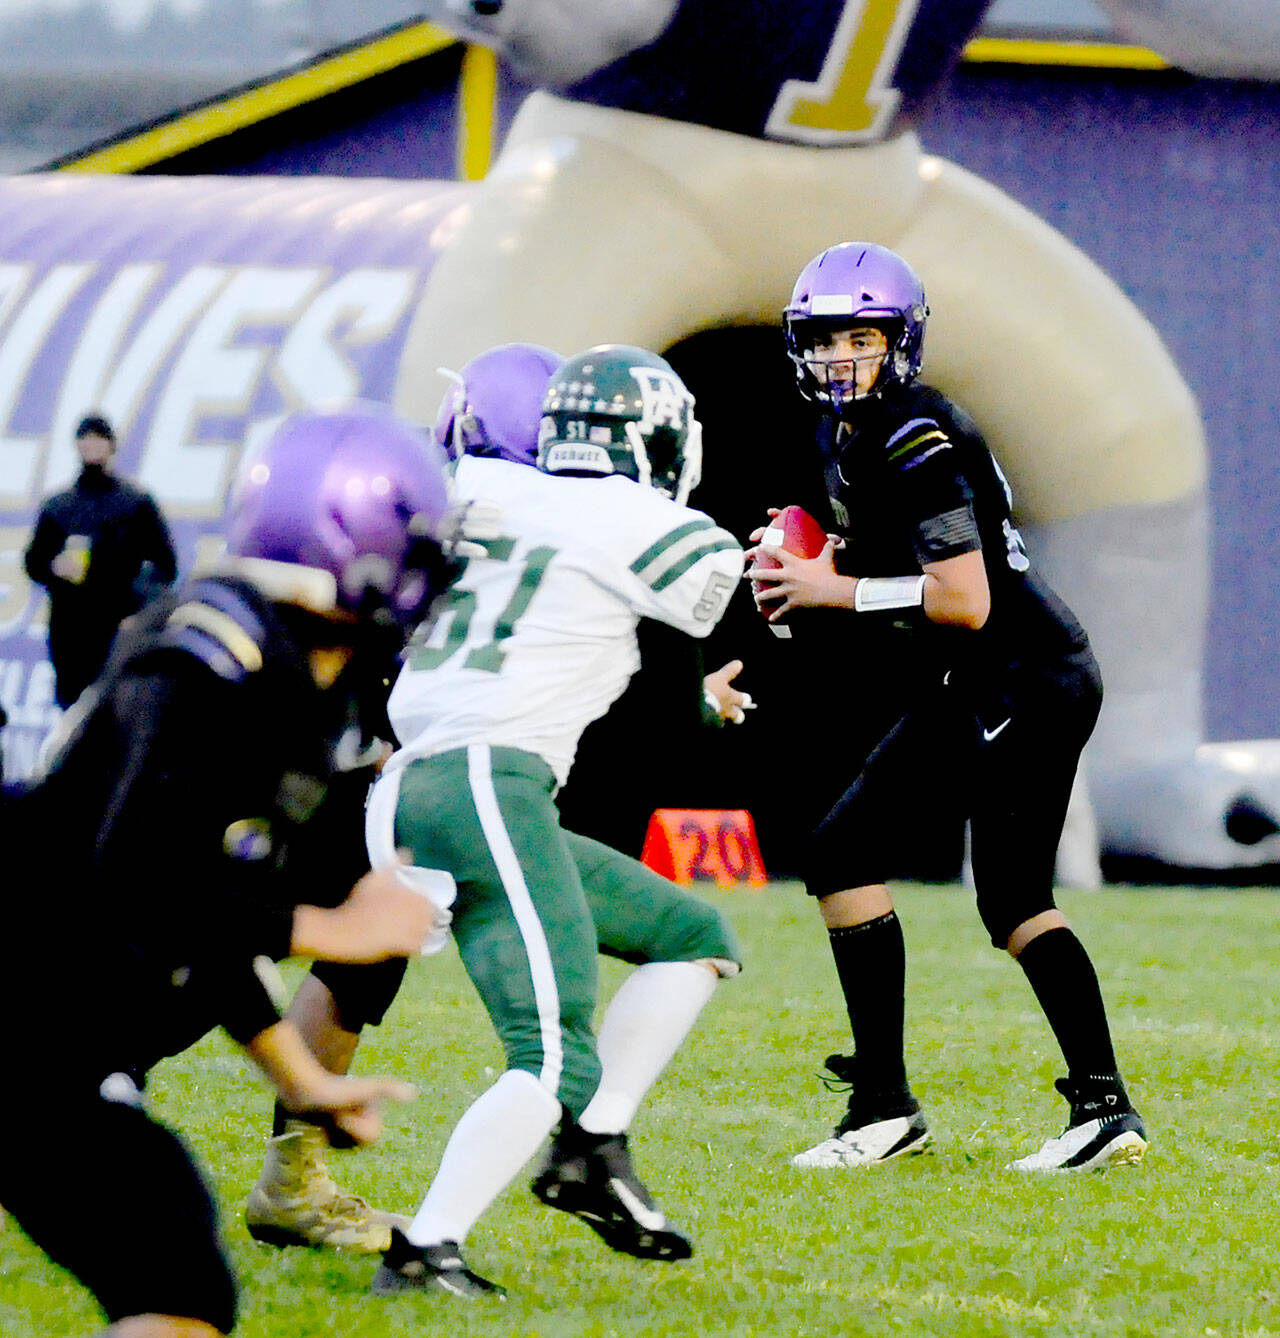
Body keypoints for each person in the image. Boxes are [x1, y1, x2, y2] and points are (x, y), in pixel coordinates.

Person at [0, 403, 455, 1338]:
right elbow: (137, 873)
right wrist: (330, 928)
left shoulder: (278, 669)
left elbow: (193, 932)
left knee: (175, 1277)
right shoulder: (214, 656)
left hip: (42, 1012)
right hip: (22, 998)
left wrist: (303, 1080)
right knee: (172, 1271)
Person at [746, 242, 1148, 1173]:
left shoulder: (916, 433)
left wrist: (828, 592)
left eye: (862, 337)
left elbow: (961, 598)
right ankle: (892, 1106)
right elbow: (881, 568)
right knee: (855, 856)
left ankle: (1087, 1109)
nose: (841, 357)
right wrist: (802, 562)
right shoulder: (846, 435)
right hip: (985, 674)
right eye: (824, 339)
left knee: (1002, 896)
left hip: (1025, 674)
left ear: (901, 342)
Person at [365, 345, 745, 1300]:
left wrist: (692, 706)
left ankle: (590, 1147)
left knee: (693, 935)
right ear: (657, 439)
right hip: (484, 783)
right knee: (552, 1047)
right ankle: (428, 1246)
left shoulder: (489, 493)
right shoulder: (634, 520)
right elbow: (705, 596)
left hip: (433, 781)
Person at [23, 413, 178, 708]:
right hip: (70, 630)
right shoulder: (59, 507)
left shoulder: (135, 503)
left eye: (99, 439)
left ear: (112, 445)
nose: (92, 446)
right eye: (86, 439)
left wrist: (140, 607)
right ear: (78, 445)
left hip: (120, 629)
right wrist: (54, 567)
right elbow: (34, 562)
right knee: (74, 709)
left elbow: (166, 565)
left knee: (118, 709)